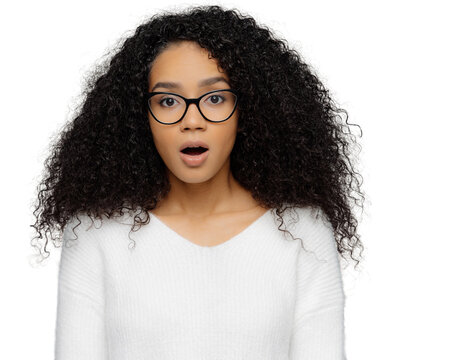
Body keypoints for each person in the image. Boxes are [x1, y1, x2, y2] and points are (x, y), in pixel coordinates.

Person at [30, 5, 365, 359]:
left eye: (216, 98)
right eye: (168, 101)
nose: (192, 120)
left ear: (249, 109)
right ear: (139, 116)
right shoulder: (95, 232)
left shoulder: (304, 231)